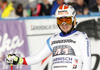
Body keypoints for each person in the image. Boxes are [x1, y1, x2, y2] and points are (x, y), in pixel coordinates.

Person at [6, 4, 91, 70]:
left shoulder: (81, 37)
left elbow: (87, 63)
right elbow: (37, 58)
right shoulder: (53, 39)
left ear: (74, 20)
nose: (64, 24)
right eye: (60, 20)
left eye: (67, 20)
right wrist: (18, 60)